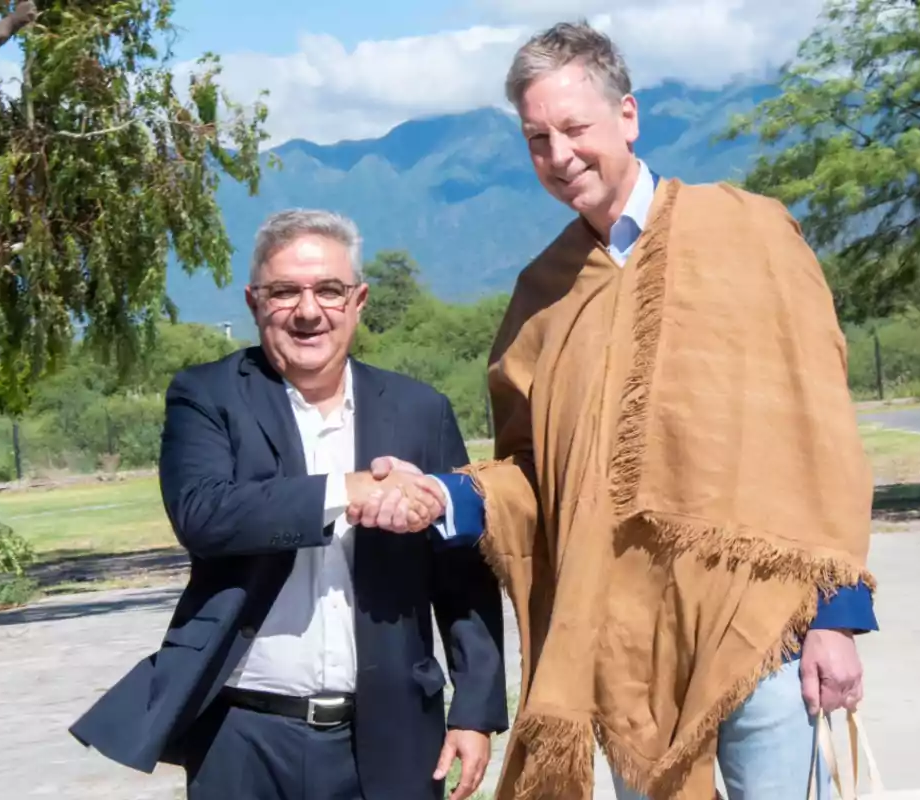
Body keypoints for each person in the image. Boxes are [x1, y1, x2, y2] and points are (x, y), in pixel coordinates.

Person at [350, 21, 879, 800]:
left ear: (627, 116)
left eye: (574, 128)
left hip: (767, 626)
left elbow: (820, 427)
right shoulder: (542, 295)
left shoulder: (750, 231)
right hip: (628, 645)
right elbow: (534, 473)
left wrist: (838, 615)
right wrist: (446, 496)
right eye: (537, 139)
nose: (559, 156)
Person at [68, 209, 510, 800]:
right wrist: (345, 489)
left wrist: (474, 709)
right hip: (241, 735)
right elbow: (203, 515)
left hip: (392, 732)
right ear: (254, 302)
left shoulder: (419, 410)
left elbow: (462, 572)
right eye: (285, 292)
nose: (308, 311)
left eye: (329, 290)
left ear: (358, 301)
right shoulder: (207, 396)